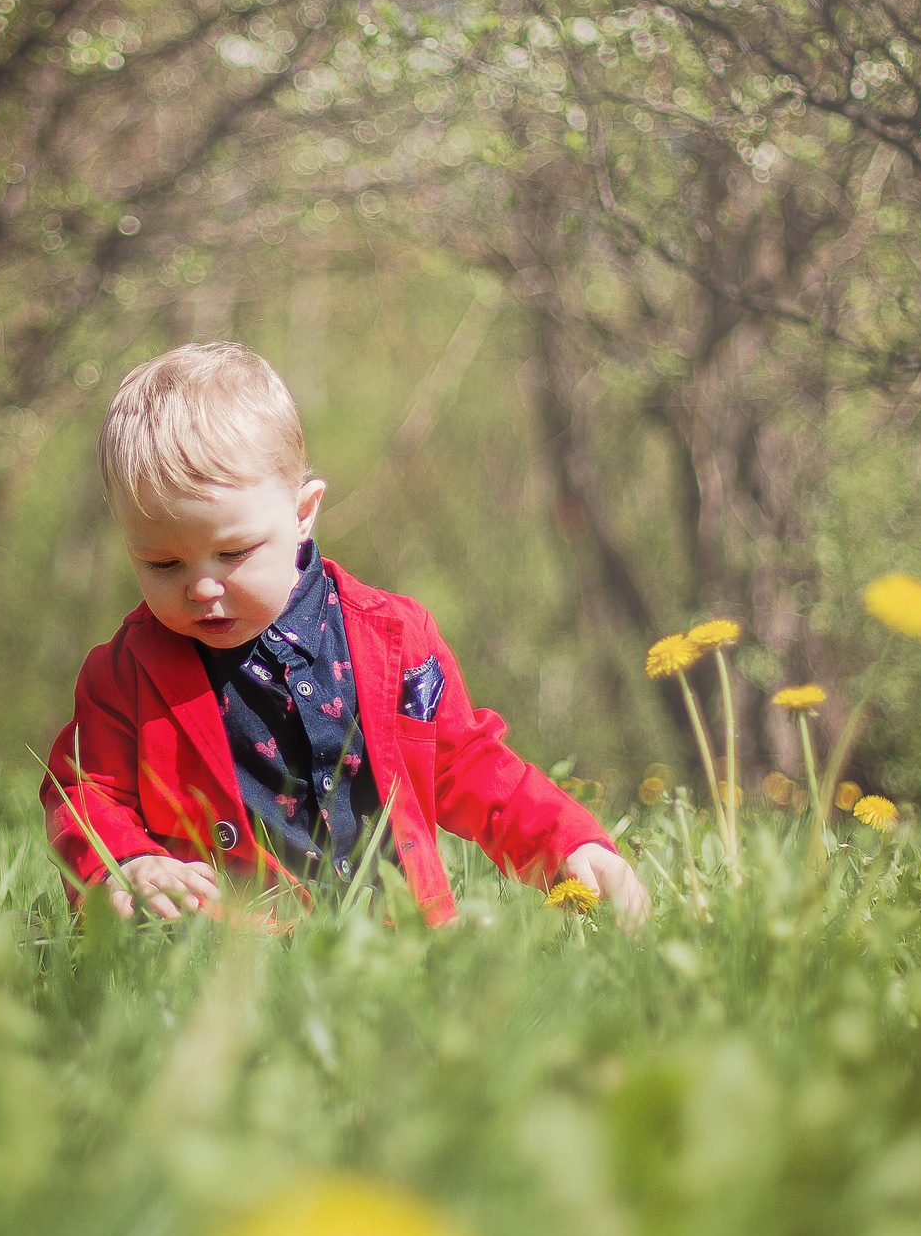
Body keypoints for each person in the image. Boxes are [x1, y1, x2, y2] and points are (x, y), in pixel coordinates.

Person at [41, 341, 650, 929]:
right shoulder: (124, 675)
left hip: (398, 945)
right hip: (227, 949)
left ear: (303, 514)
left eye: (231, 553)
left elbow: (467, 762)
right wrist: (124, 865)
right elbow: (84, 792)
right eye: (163, 564)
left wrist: (566, 843)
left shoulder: (393, 638)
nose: (201, 587)